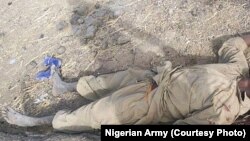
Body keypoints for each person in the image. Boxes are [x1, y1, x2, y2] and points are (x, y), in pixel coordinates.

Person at [2, 34, 250, 132]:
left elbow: (182, 128)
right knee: (106, 81)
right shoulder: (240, 67)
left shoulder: (226, 110)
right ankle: (66, 86)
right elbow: (232, 45)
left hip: (151, 104)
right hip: (157, 76)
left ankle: (39, 122)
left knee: (95, 114)